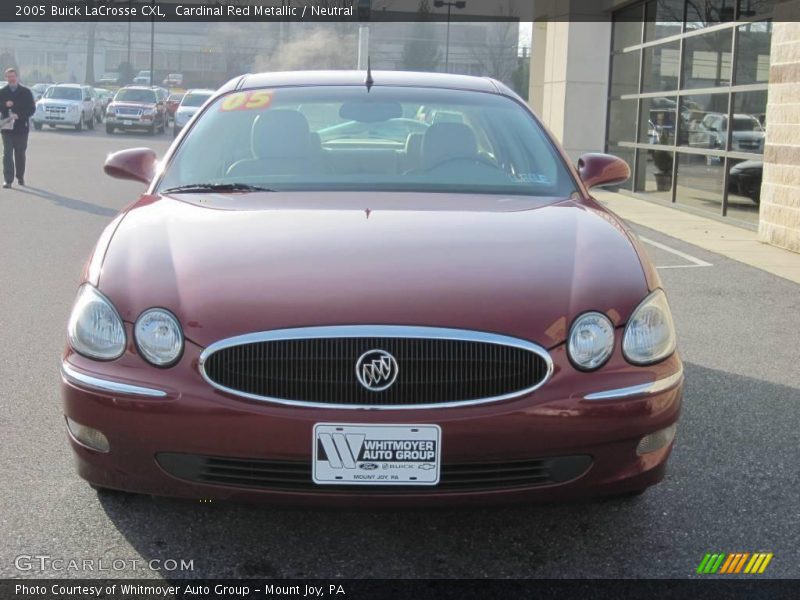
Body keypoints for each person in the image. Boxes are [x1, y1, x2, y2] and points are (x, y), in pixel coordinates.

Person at [1, 68, 36, 189]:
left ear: (17, 77)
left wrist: (19, 115)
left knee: (20, 153)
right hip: (6, 128)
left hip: (21, 128)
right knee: (7, 153)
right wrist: (5, 105)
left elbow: (32, 109)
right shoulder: (2, 92)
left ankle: (20, 176)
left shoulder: (26, 92)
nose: (11, 79)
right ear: (6, 78)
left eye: (13, 76)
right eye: (8, 77)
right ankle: (8, 180)